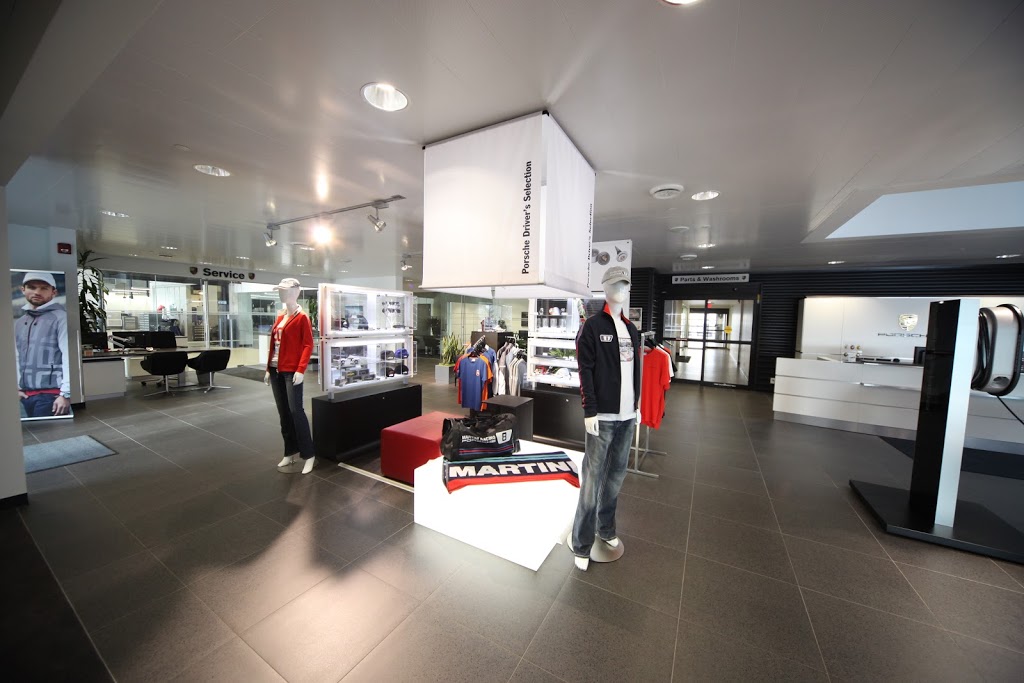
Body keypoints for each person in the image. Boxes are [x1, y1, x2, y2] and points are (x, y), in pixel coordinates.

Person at [568, 266, 641, 571]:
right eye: (615, 284)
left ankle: (606, 529)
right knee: (592, 480)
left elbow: (635, 371)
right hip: (603, 417)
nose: (620, 290)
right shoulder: (593, 327)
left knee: (616, 477)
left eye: (624, 285)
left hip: (627, 417)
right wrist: (590, 410)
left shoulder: (632, 330)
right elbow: (584, 370)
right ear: (605, 288)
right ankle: (582, 542)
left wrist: (636, 406)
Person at [264, 278, 316, 474]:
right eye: (280, 291)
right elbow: (274, 345)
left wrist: (300, 369)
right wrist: (268, 368)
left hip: (291, 371)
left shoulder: (302, 317)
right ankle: (290, 450)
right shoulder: (280, 317)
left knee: (296, 411)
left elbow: (307, 345)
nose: (282, 294)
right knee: (283, 413)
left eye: (285, 291)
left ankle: (309, 454)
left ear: (296, 292)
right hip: (276, 369)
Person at [15, 271, 71, 418]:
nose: (37, 292)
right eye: (32, 287)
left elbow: (69, 355)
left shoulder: (61, 318)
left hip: (52, 395)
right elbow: (16, 357)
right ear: (23, 290)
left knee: (47, 431)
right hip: (26, 395)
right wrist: (17, 388)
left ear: (54, 292)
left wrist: (66, 394)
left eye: (44, 288)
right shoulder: (20, 322)